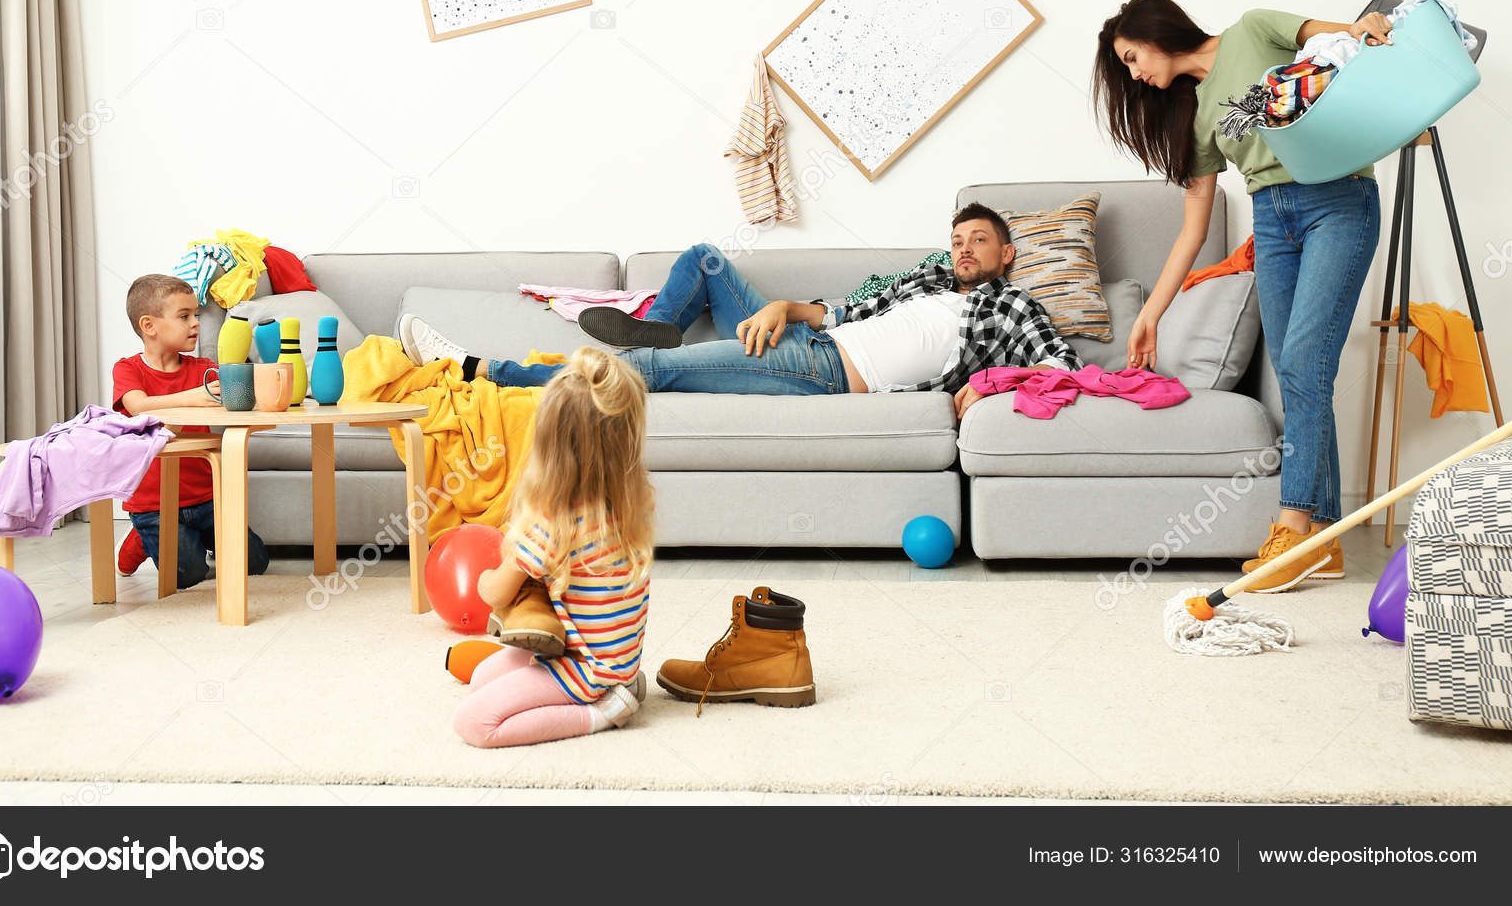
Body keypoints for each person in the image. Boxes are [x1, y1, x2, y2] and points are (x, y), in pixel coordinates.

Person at [1093, 0, 1387, 593]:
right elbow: (1194, 226)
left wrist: (1373, 26)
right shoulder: (1199, 110)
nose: (1134, 73)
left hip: (1338, 201)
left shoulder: (1253, 30)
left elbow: (1345, 36)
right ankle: (1323, 541)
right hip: (1272, 222)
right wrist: (1152, 312)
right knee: (1296, 370)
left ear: (1154, 32)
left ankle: (1291, 527)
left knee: (1305, 362)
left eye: (1130, 58)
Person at [398, 204, 1081, 421]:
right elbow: (841, 310)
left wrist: (991, 382)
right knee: (706, 257)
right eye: (957, 240)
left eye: (978, 242)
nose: (962, 251)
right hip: (813, 336)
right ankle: (664, 317)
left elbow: (1064, 368)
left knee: (647, 370)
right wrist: (784, 305)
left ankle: (483, 370)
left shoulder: (1009, 305)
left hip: (826, 369)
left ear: (1007, 252)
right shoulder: (924, 279)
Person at [452, 347, 655, 748]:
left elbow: (495, 593)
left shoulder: (553, 525)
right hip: (613, 658)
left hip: (585, 669)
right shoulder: (632, 503)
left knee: (474, 723)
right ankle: (625, 683)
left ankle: (604, 711)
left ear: (548, 445)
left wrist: (491, 573)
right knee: (479, 679)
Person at [112, 274, 270, 590]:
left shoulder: (203, 369)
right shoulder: (128, 369)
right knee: (187, 576)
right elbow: (140, 406)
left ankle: (189, 538)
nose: (195, 323)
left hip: (206, 498)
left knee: (255, 563)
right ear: (149, 326)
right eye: (184, 316)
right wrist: (196, 397)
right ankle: (141, 539)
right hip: (153, 505)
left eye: (196, 315)